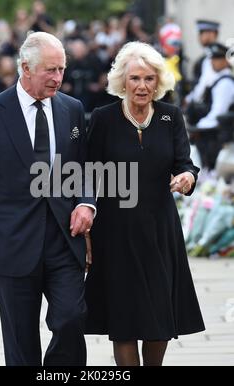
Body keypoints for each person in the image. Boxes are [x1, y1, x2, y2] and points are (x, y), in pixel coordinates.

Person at [0, 31, 95, 366]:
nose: (58, 78)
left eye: (61, 69)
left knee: (71, 319)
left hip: (65, 238)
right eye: (50, 70)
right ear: (25, 68)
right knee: (20, 342)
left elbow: (85, 167)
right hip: (14, 242)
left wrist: (86, 202)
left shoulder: (72, 109)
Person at [85, 41, 205, 366]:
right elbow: (87, 177)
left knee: (159, 318)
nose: (142, 86)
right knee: (123, 322)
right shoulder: (103, 119)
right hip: (115, 231)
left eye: (149, 79)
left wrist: (187, 177)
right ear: (122, 81)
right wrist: (86, 232)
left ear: (158, 82)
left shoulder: (171, 116)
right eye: (135, 78)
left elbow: (186, 163)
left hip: (160, 230)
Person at [188, 42, 234, 170]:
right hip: (213, 132)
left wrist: (197, 127)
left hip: (217, 134)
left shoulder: (225, 83)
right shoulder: (216, 79)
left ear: (226, 60)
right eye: (213, 58)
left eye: (218, 58)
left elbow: (218, 114)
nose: (214, 62)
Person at [185, 20, 220, 105]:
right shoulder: (206, 56)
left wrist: (190, 99)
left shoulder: (214, 57)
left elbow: (204, 83)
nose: (199, 37)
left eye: (202, 33)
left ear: (212, 34)